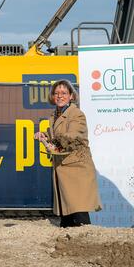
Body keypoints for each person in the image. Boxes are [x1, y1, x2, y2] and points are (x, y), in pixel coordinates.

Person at [35, 80, 102, 228]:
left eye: (64, 93)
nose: (59, 96)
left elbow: (72, 135)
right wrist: (44, 136)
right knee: (67, 219)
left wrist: (52, 142)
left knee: (80, 216)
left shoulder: (77, 114)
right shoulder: (54, 116)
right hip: (64, 168)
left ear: (71, 96)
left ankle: (86, 249)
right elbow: (57, 136)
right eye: (56, 93)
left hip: (77, 169)